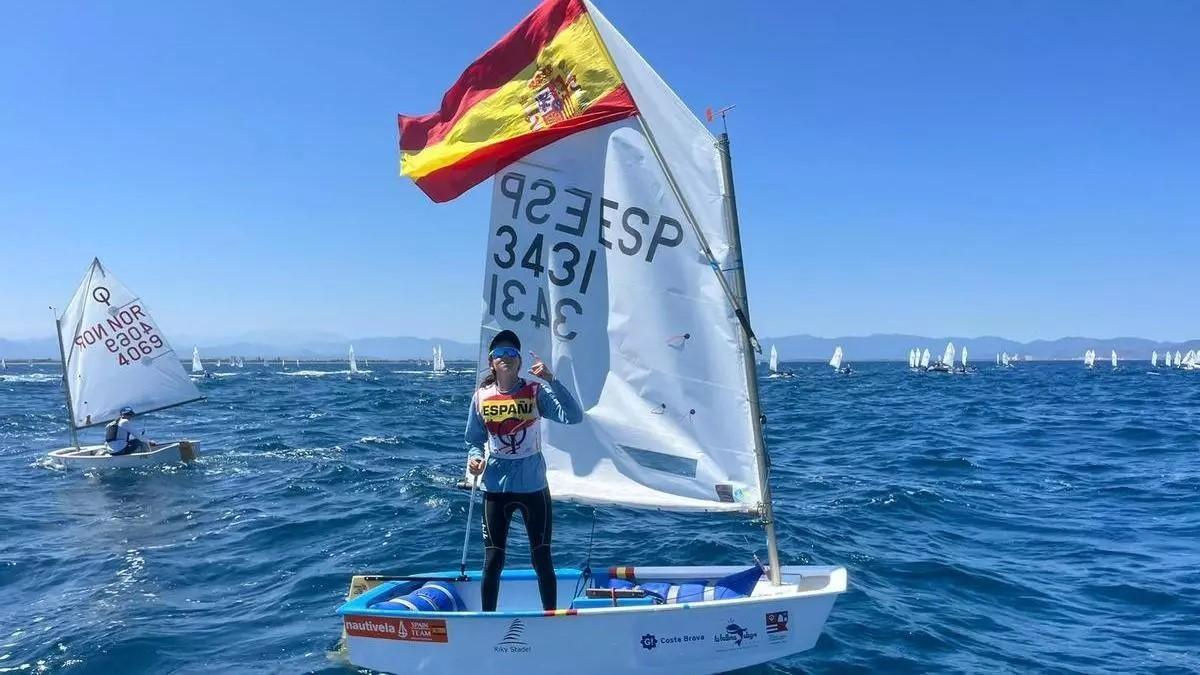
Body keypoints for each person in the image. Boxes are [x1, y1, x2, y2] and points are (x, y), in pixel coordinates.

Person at [464, 330, 583, 612]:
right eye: (500, 354)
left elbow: (573, 416)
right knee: (493, 560)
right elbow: (474, 440)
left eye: (512, 354)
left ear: (519, 361)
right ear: (491, 362)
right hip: (495, 490)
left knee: (541, 557)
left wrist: (551, 380)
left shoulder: (535, 391)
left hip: (534, 489)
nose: (506, 358)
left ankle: (550, 617)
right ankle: (487, 620)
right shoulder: (481, 397)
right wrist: (475, 458)